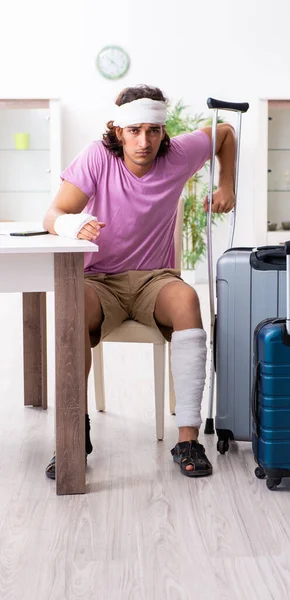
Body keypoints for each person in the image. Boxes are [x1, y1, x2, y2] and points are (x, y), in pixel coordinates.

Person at [43, 84, 236, 479]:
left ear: (164, 131)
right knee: (71, 305)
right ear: (118, 131)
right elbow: (53, 214)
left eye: (153, 130)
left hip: (155, 279)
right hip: (100, 279)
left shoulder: (179, 154)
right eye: (134, 131)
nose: (144, 141)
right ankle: (73, 435)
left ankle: (187, 438)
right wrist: (73, 223)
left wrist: (226, 185)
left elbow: (225, 132)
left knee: (186, 300)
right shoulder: (97, 158)